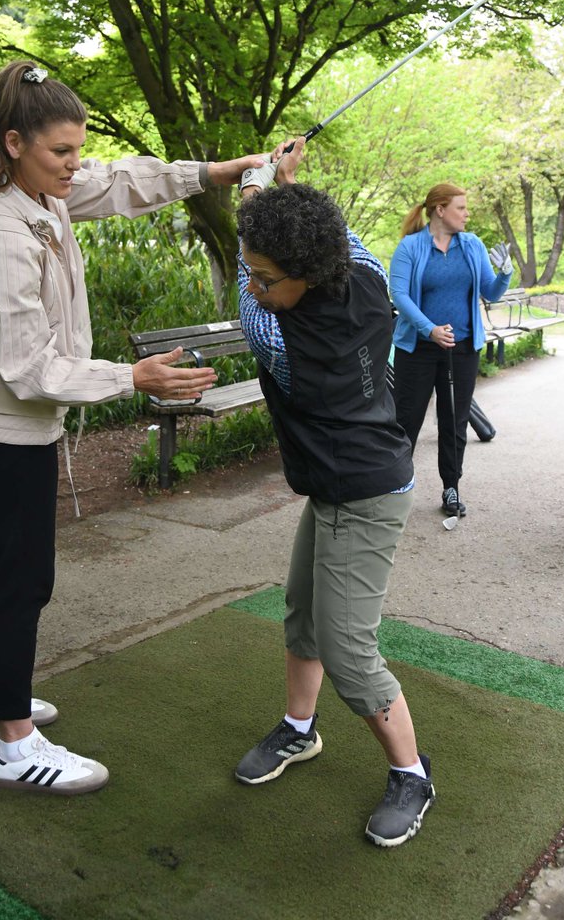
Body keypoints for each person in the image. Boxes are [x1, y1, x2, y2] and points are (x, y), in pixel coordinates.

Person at [0, 60, 266, 795]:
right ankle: (13, 742)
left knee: (5, 558)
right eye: (61, 154)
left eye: (78, 150)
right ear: (14, 142)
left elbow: (121, 181)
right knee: (25, 574)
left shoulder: (25, 183)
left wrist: (219, 171)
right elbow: (28, 369)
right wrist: (131, 377)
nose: (76, 167)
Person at [232, 138, 434, 849]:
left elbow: (242, 278)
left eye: (267, 277)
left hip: (366, 491)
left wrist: (254, 194)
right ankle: (298, 730)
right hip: (337, 482)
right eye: (257, 276)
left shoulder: (281, 341)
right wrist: (287, 185)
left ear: (301, 274)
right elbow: (339, 237)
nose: (257, 287)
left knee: (349, 652)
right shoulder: (367, 276)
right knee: (303, 614)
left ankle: (413, 774)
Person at [389, 182, 512, 521]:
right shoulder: (411, 247)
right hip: (418, 350)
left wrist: (505, 272)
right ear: (440, 210)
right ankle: (393, 489)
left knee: (454, 421)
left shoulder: (471, 245)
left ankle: (451, 487)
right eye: (461, 207)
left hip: (462, 350)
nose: (467, 213)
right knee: (406, 421)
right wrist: (429, 328)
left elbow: (491, 291)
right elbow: (399, 295)